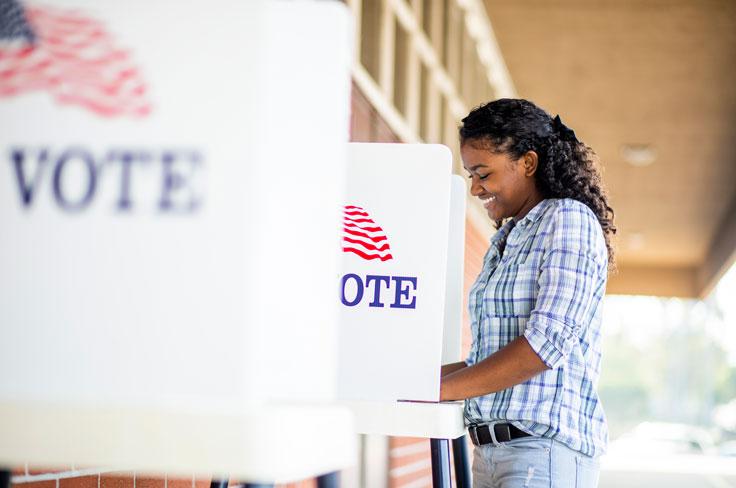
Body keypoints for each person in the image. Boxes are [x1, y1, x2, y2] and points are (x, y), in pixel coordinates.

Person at [440, 98, 616, 487]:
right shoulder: (507, 237)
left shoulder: (568, 219)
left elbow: (545, 344)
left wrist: (441, 388)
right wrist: (415, 383)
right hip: (490, 453)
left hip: (542, 454)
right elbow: (489, 360)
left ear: (528, 163)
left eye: (482, 173)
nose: (475, 188)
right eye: (470, 175)